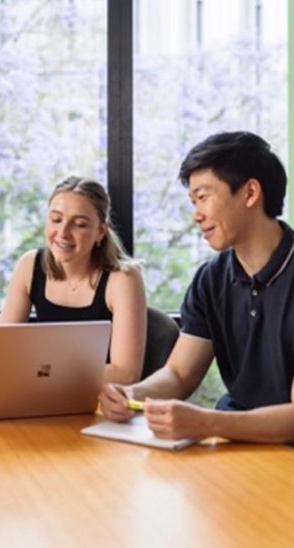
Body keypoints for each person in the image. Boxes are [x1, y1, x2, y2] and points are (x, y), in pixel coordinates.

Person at [99, 130, 294, 443]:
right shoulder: (211, 279)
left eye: (203, 197)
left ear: (250, 193)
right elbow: (179, 374)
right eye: (193, 202)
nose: (196, 215)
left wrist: (209, 423)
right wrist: (131, 394)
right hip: (235, 445)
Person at [0, 176, 147, 386]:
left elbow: (125, 374)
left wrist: (36, 371)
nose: (63, 233)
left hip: (100, 402)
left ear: (100, 231)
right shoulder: (29, 265)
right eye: (55, 220)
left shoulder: (124, 278)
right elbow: (0, 342)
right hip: (41, 392)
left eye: (79, 224)